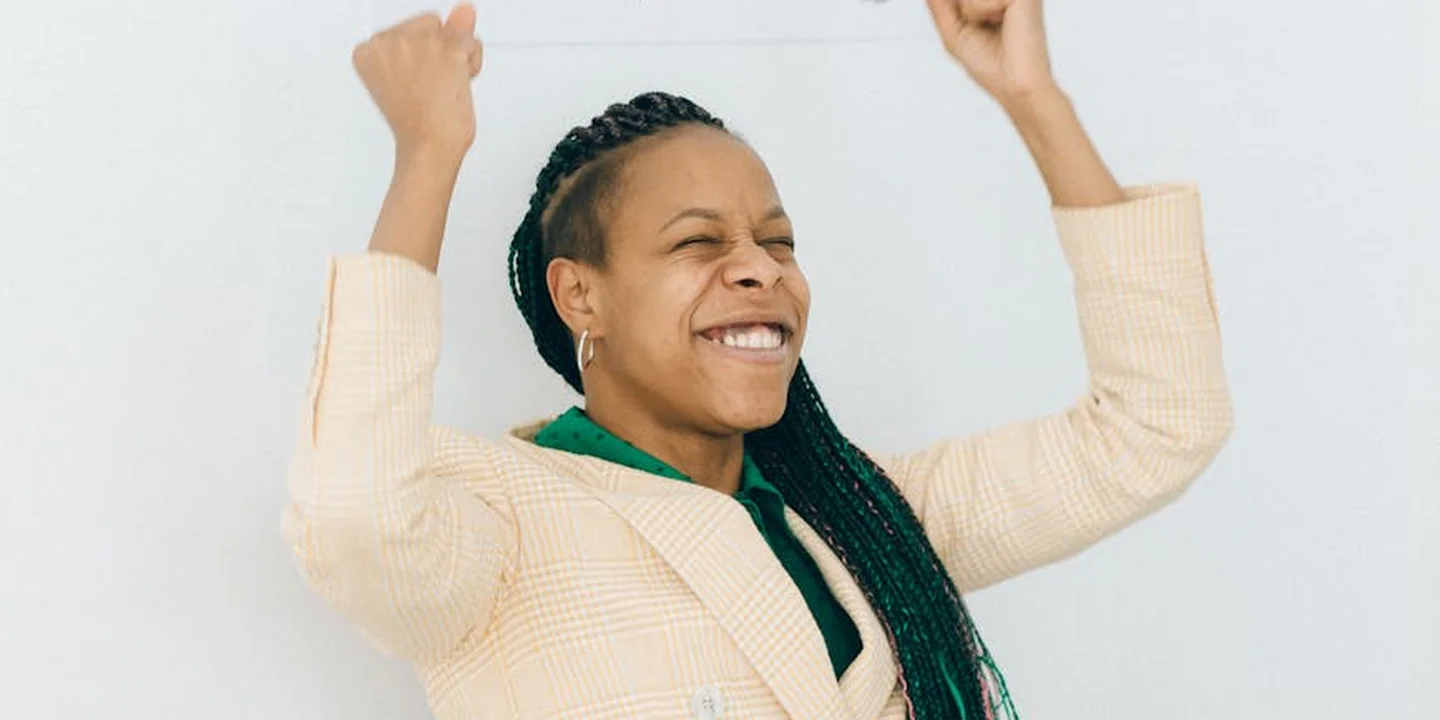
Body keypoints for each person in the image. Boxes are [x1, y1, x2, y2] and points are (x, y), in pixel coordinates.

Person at [282, 1, 1233, 718]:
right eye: (699, 243)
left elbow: (1157, 427)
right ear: (582, 296)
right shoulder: (496, 520)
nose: (758, 271)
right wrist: (427, 153)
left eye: (776, 243)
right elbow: (354, 515)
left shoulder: (864, 522)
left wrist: (1035, 98)